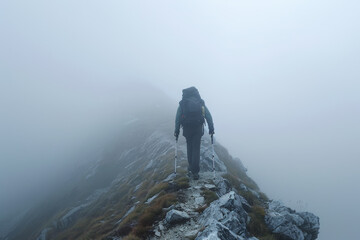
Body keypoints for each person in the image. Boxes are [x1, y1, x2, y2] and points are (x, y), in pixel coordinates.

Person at [174, 87, 214, 180]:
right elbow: (208, 115)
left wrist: (177, 131)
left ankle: (190, 168)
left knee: (189, 147)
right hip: (198, 128)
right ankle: (195, 172)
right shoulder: (200, 102)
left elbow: (178, 117)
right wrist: (211, 128)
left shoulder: (183, 103)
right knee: (196, 149)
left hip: (187, 128)